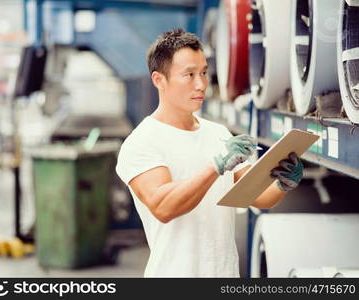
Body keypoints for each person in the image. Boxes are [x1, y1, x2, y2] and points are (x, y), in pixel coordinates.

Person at [116, 29, 303, 277]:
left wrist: (283, 183)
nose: (201, 84)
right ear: (159, 80)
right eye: (189, 75)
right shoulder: (142, 142)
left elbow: (255, 195)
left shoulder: (218, 133)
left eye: (203, 72)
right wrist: (215, 166)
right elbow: (164, 207)